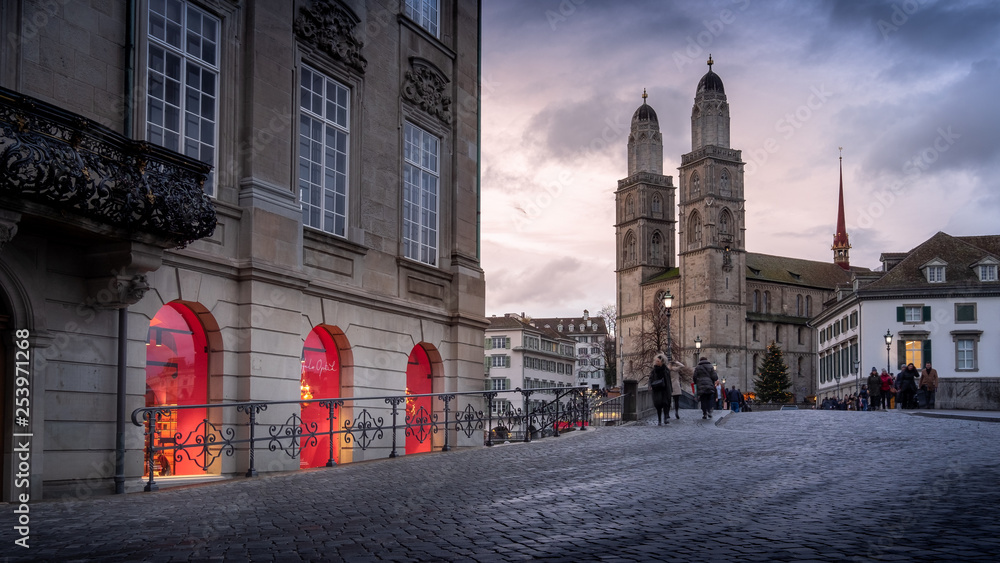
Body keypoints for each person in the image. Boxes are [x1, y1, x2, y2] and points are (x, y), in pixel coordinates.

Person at [649, 353, 672, 425]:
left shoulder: (666, 370)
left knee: (665, 404)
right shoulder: (654, 370)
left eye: (658, 361)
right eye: (656, 361)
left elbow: (668, 380)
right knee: (658, 406)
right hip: (657, 390)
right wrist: (649, 385)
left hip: (664, 390)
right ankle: (659, 420)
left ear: (662, 362)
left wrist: (670, 389)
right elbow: (650, 378)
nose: (656, 362)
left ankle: (665, 418)